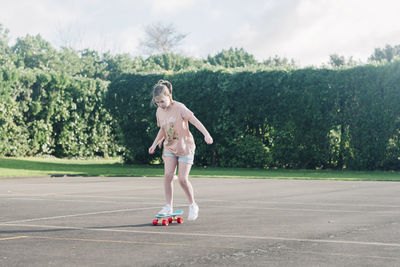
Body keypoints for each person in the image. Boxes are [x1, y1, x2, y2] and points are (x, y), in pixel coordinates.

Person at [148, 80, 213, 221]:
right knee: (168, 176)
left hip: (185, 147)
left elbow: (194, 121)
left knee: (182, 179)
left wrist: (206, 134)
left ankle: (192, 205)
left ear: (169, 96)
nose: (160, 105)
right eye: (157, 102)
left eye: (162, 101)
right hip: (170, 147)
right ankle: (168, 206)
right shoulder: (159, 111)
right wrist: (155, 143)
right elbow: (163, 129)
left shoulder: (180, 108)